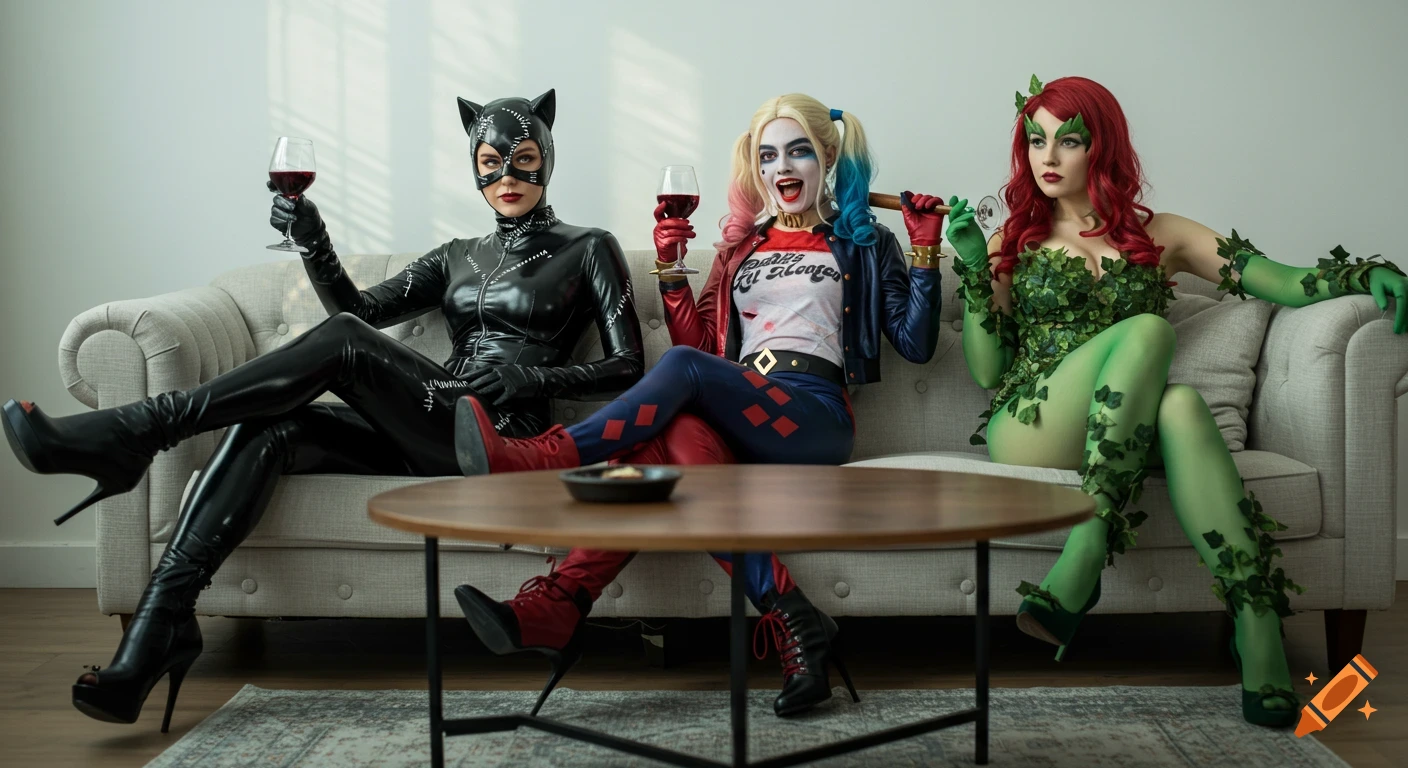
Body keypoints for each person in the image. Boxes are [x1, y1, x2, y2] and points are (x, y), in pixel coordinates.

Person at [0, 89, 663, 730]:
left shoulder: (588, 246)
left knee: (345, 347)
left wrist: (529, 375)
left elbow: (627, 365)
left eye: (523, 157)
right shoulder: (459, 256)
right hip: (431, 417)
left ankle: (139, 430)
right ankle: (156, 634)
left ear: (547, 155)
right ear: (473, 164)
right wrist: (315, 243)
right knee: (278, 426)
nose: (507, 175)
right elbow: (362, 311)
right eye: (490, 162)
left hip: (498, 435)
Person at [452, 93, 948, 717]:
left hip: (813, 417)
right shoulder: (741, 248)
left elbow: (916, 343)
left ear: (827, 156)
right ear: (756, 166)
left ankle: (542, 463)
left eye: (798, 151)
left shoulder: (864, 241)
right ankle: (787, 621)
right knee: (680, 440)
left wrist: (925, 249)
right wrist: (670, 271)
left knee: (681, 381)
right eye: (768, 155)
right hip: (741, 413)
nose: (782, 167)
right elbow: (702, 351)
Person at [946, 75, 1406, 727]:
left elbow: (1277, 278)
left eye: (1068, 140)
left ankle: (1259, 631)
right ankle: (1089, 540)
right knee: (1148, 329)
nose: (1047, 156)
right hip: (1031, 422)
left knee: (1182, 405)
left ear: (1099, 147)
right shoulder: (1013, 240)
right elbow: (987, 368)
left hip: (1125, 426)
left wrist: (1363, 273)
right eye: (1036, 139)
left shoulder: (1162, 234)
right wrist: (971, 269)